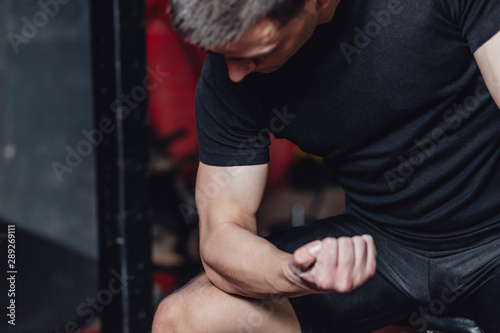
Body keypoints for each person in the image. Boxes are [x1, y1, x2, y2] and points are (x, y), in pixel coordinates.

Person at [152, 0, 500, 332]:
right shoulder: (228, 77)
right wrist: (292, 273)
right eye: (224, 54)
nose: (236, 73)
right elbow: (220, 238)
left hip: (493, 236)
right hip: (380, 248)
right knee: (182, 320)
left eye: (258, 53)